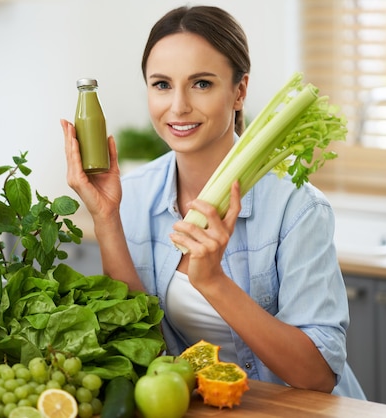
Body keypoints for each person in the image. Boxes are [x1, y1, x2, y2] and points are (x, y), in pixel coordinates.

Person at [61, 5, 365, 399]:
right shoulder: (132, 194)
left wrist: (213, 282)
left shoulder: (298, 208)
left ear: (239, 91)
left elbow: (317, 376)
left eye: (201, 83)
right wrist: (106, 219)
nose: (178, 106)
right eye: (162, 84)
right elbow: (141, 344)